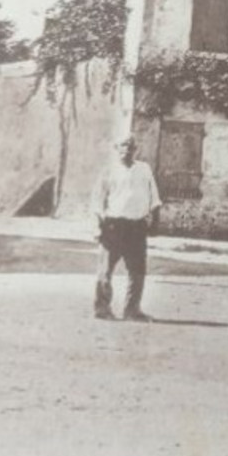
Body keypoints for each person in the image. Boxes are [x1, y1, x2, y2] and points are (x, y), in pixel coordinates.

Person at [91, 137, 162, 322]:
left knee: (137, 271)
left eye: (130, 147)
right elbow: (97, 200)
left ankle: (132, 310)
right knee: (105, 270)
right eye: (123, 147)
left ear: (135, 149)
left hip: (136, 227)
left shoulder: (144, 169)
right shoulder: (109, 170)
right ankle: (102, 308)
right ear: (117, 149)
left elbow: (154, 198)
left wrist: (153, 222)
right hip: (113, 225)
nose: (127, 150)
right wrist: (98, 227)